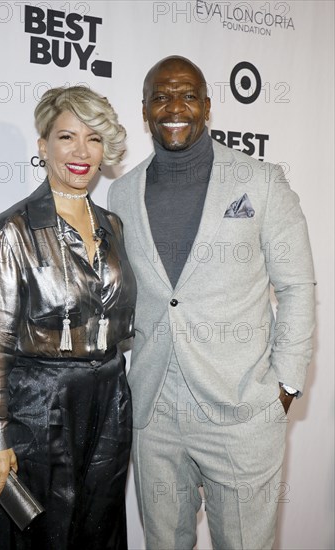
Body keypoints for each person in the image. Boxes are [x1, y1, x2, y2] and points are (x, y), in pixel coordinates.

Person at [108, 56, 316, 550]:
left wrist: (284, 385)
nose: (174, 107)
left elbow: (297, 287)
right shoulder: (121, 193)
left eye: (186, 95)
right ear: (144, 111)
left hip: (241, 408)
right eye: (160, 97)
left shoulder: (262, 181)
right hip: (154, 408)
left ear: (206, 106)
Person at [0, 85, 136, 550]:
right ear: (43, 147)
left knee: (97, 531)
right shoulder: (11, 230)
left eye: (94, 138)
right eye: (67, 137)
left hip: (109, 403)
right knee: (37, 536)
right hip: (39, 407)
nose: (82, 151)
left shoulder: (113, 226)